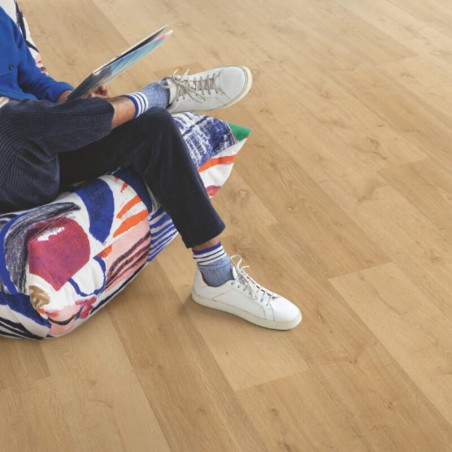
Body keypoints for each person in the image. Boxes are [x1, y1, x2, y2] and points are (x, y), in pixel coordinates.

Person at [0, 5, 302, 330]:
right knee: (10, 122)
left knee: (153, 125)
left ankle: (217, 276)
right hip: (10, 174)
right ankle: (159, 94)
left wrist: (72, 99)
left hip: (41, 149)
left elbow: (30, 78)